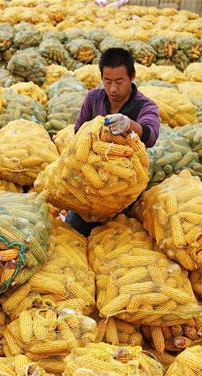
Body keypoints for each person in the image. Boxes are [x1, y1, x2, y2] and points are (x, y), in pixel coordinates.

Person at [64, 47, 160, 236]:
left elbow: (151, 136)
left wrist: (129, 125)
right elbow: (78, 130)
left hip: (125, 185)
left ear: (132, 77)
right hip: (91, 182)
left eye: (119, 81)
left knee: (116, 237)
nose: (113, 89)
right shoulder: (93, 98)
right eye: (107, 82)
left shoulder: (145, 105)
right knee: (73, 232)